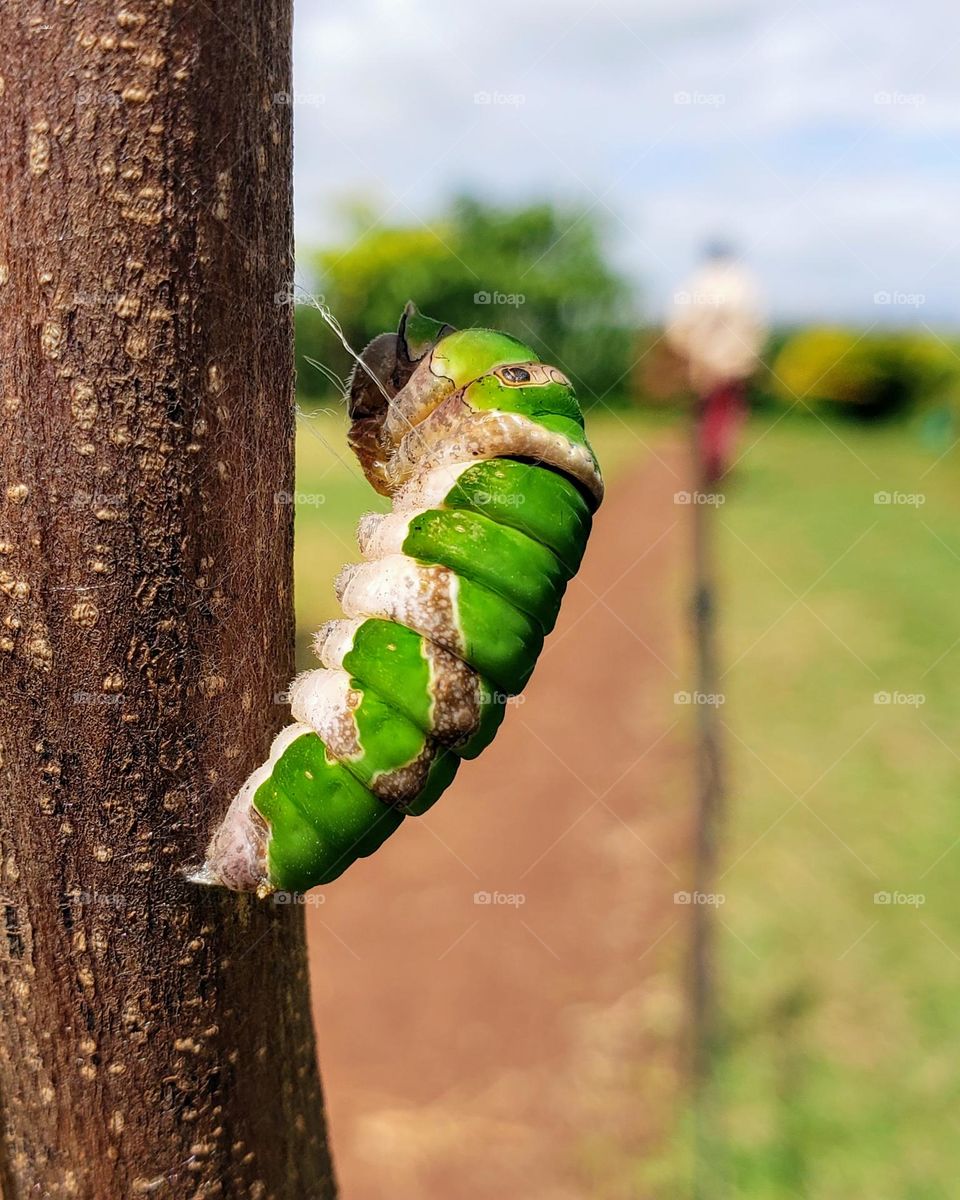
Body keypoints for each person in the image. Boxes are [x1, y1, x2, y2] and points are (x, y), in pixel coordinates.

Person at [665, 242, 766, 484]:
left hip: (702, 364)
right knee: (726, 414)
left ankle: (708, 464)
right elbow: (755, 326)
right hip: (732, 364)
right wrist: (745, 359)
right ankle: (714, 464)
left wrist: (691, 354)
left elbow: (679, 326)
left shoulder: (695, 283)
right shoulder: (744, 284)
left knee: (707, 413)